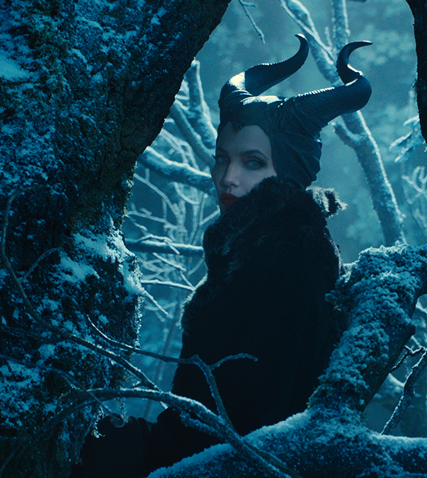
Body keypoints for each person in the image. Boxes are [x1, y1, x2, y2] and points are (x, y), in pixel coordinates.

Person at [71, 34, 372, 477]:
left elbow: (252, 420)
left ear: (290, 172)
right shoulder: (267, 247)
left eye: (252, 163)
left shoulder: (286, 259)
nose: (227, 177)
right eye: (221, 158)